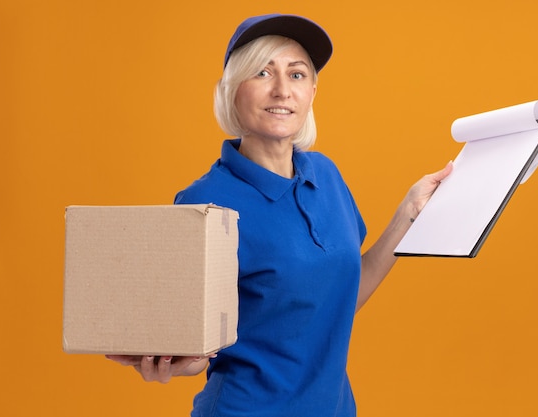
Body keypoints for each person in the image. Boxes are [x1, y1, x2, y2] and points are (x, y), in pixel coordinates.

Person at [107, 13, 452, 416]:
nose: (282, 90)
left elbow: (336, 300)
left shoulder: (326, 175)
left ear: (312, 92)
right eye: (262, 72)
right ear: (232, 91)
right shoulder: (204, 205)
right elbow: (197, 344)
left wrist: (408, 214)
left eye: (297, 74)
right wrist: (174, 360)